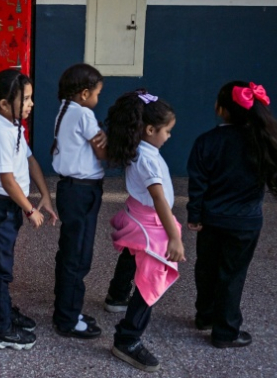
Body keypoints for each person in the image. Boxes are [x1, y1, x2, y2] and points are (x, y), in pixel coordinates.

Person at [187, 81, 277, 349]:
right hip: (245, 223)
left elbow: (198, 183)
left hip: (211, 220)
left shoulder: (207, 141)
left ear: (221, 109)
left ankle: (205, 316)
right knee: (232, 274)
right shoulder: (263, 142)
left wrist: (195, 214)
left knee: (206, 268)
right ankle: (225, 332)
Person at [103, 89, 184, 372]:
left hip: (137, 215)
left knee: (130, 253)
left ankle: (116, 296)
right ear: (150, 129)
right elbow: (160, 198)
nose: (169, 136)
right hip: (151, 225)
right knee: (150, 285)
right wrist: (173, 237)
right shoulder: (148, 159)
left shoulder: (138, 148)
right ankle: (128, 339)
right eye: (167, 131)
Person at [0, 69, 58, 351]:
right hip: (1, 207)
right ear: (2, 103)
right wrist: (28, 209)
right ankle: (0, 330)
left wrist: (45, 197)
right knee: (0, 269)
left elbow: (30, 160)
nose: (31, 104)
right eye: (26, 99)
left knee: (5, 264)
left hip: (10, 206)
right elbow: (6, 179)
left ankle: (4, 311)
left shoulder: (12, 125)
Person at [50, 64, 106, 339]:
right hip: (82, 191)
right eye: (97, 94)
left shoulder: (64, 110)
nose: (97, 99)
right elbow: (102, 150)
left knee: (69, 252)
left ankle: (66, 309)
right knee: (78, 256)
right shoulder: (84, 114)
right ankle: (68, 319)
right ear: (84, 94)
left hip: (70, 190)